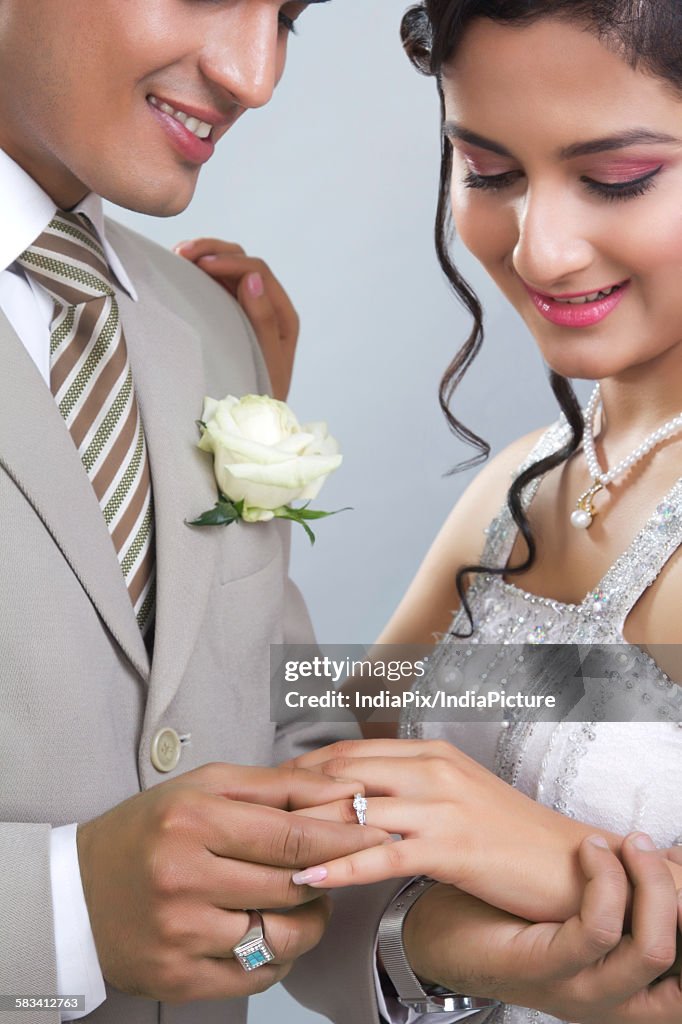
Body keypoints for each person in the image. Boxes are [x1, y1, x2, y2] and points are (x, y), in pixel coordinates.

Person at [236, 2, 682, 1022]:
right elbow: (293, 813)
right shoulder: (518, 489)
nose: (542, 249)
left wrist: (546, 860)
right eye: (488, 170)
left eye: (616, 179)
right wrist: (223, 489)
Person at [0, 3, 398, 1023]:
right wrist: (64, 917)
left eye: (288, 19)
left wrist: (424, 946)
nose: (256, 76)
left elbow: (279, 722)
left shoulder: (210, 327)